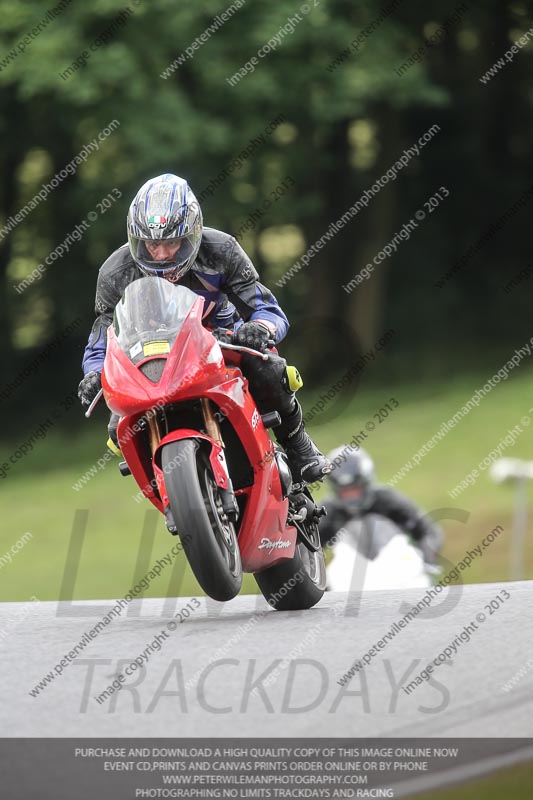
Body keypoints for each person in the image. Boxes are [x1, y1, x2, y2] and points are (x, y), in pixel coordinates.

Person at [78, 173, 331, 484]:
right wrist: (93, 373)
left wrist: (259, 328)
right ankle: (162, 484)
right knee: (118, 425)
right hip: (151, 361)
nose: (161, 254)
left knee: (270, 369)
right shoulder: (115, 272)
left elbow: (266, 307)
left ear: (192, 234)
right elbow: (103, 335)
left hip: (221, 343)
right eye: (152, 244)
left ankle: (300, 447)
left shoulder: (222, 250)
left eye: (171, 243)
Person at [318, 445, 442, 570]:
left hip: (397, 569)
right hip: (349, 574)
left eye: (355, 489)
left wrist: (426, 560)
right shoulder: (327, 511)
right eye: (345, 491)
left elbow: (427, 530)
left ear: (366, 481)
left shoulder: (388, 501)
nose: (351, 497)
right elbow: (310, 547)